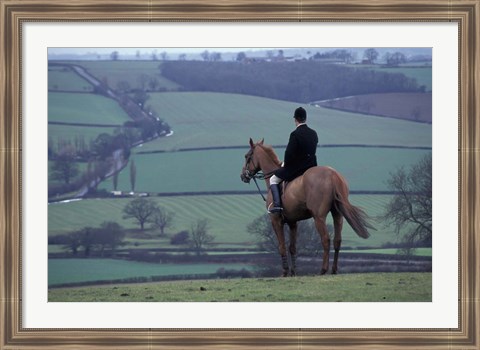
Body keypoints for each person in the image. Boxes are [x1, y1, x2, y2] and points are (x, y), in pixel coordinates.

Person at [268, 107, 318, 213]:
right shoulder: (314, 133)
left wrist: (285, 164)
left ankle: (277, 205)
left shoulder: (295, 134)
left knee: (272, 179)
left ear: (295, 119)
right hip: (312, 167)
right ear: (305, 118)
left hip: (298, 168)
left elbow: (289, 153)